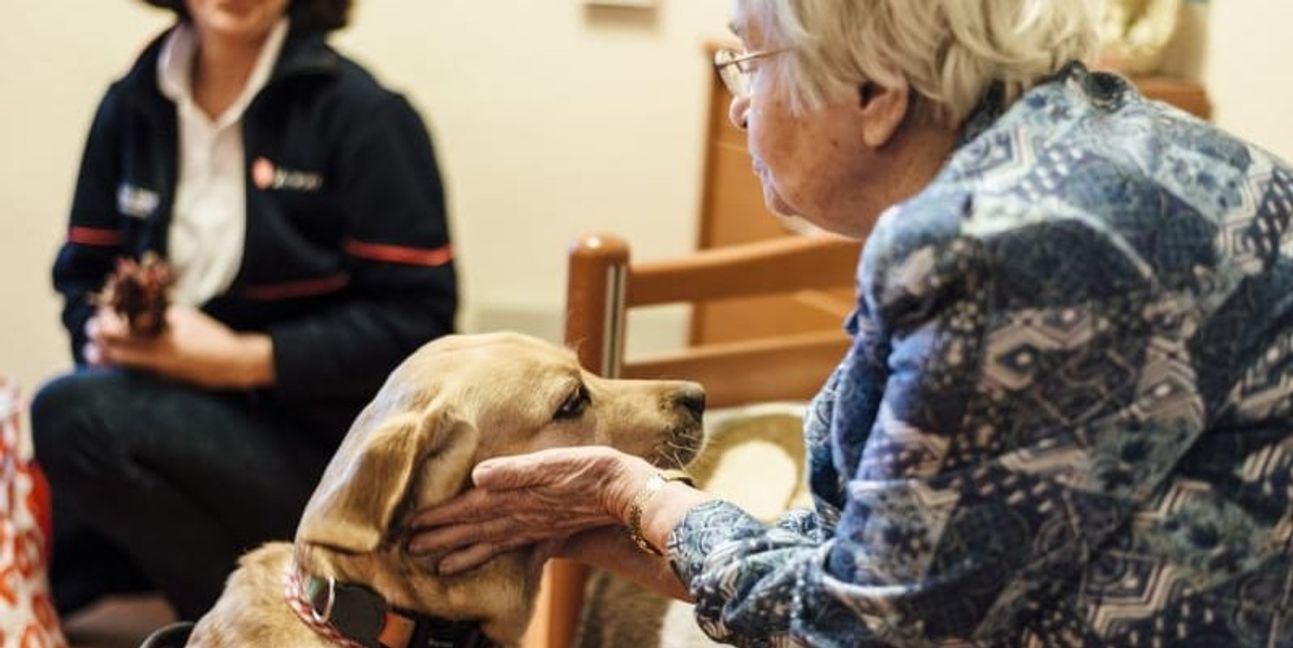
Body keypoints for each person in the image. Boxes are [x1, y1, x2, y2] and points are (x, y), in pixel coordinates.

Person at [408, 0, 1293, 645]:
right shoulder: (1116, 142)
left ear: (876, 91)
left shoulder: (994, 245)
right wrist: (612, 530)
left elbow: (857, 630)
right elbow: (877, 549)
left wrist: (634, 493)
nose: (737, 105)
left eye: (750, 60)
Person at [32, 0, 456, 621]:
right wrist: (101, 333)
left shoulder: (366, 115)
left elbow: (419, 325)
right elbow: (81, 278)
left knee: (70, 415)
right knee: (54, 511)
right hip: (181, 425)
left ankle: (269, 625)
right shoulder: (130, 105)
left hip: (332, 455)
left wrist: (242, 362)